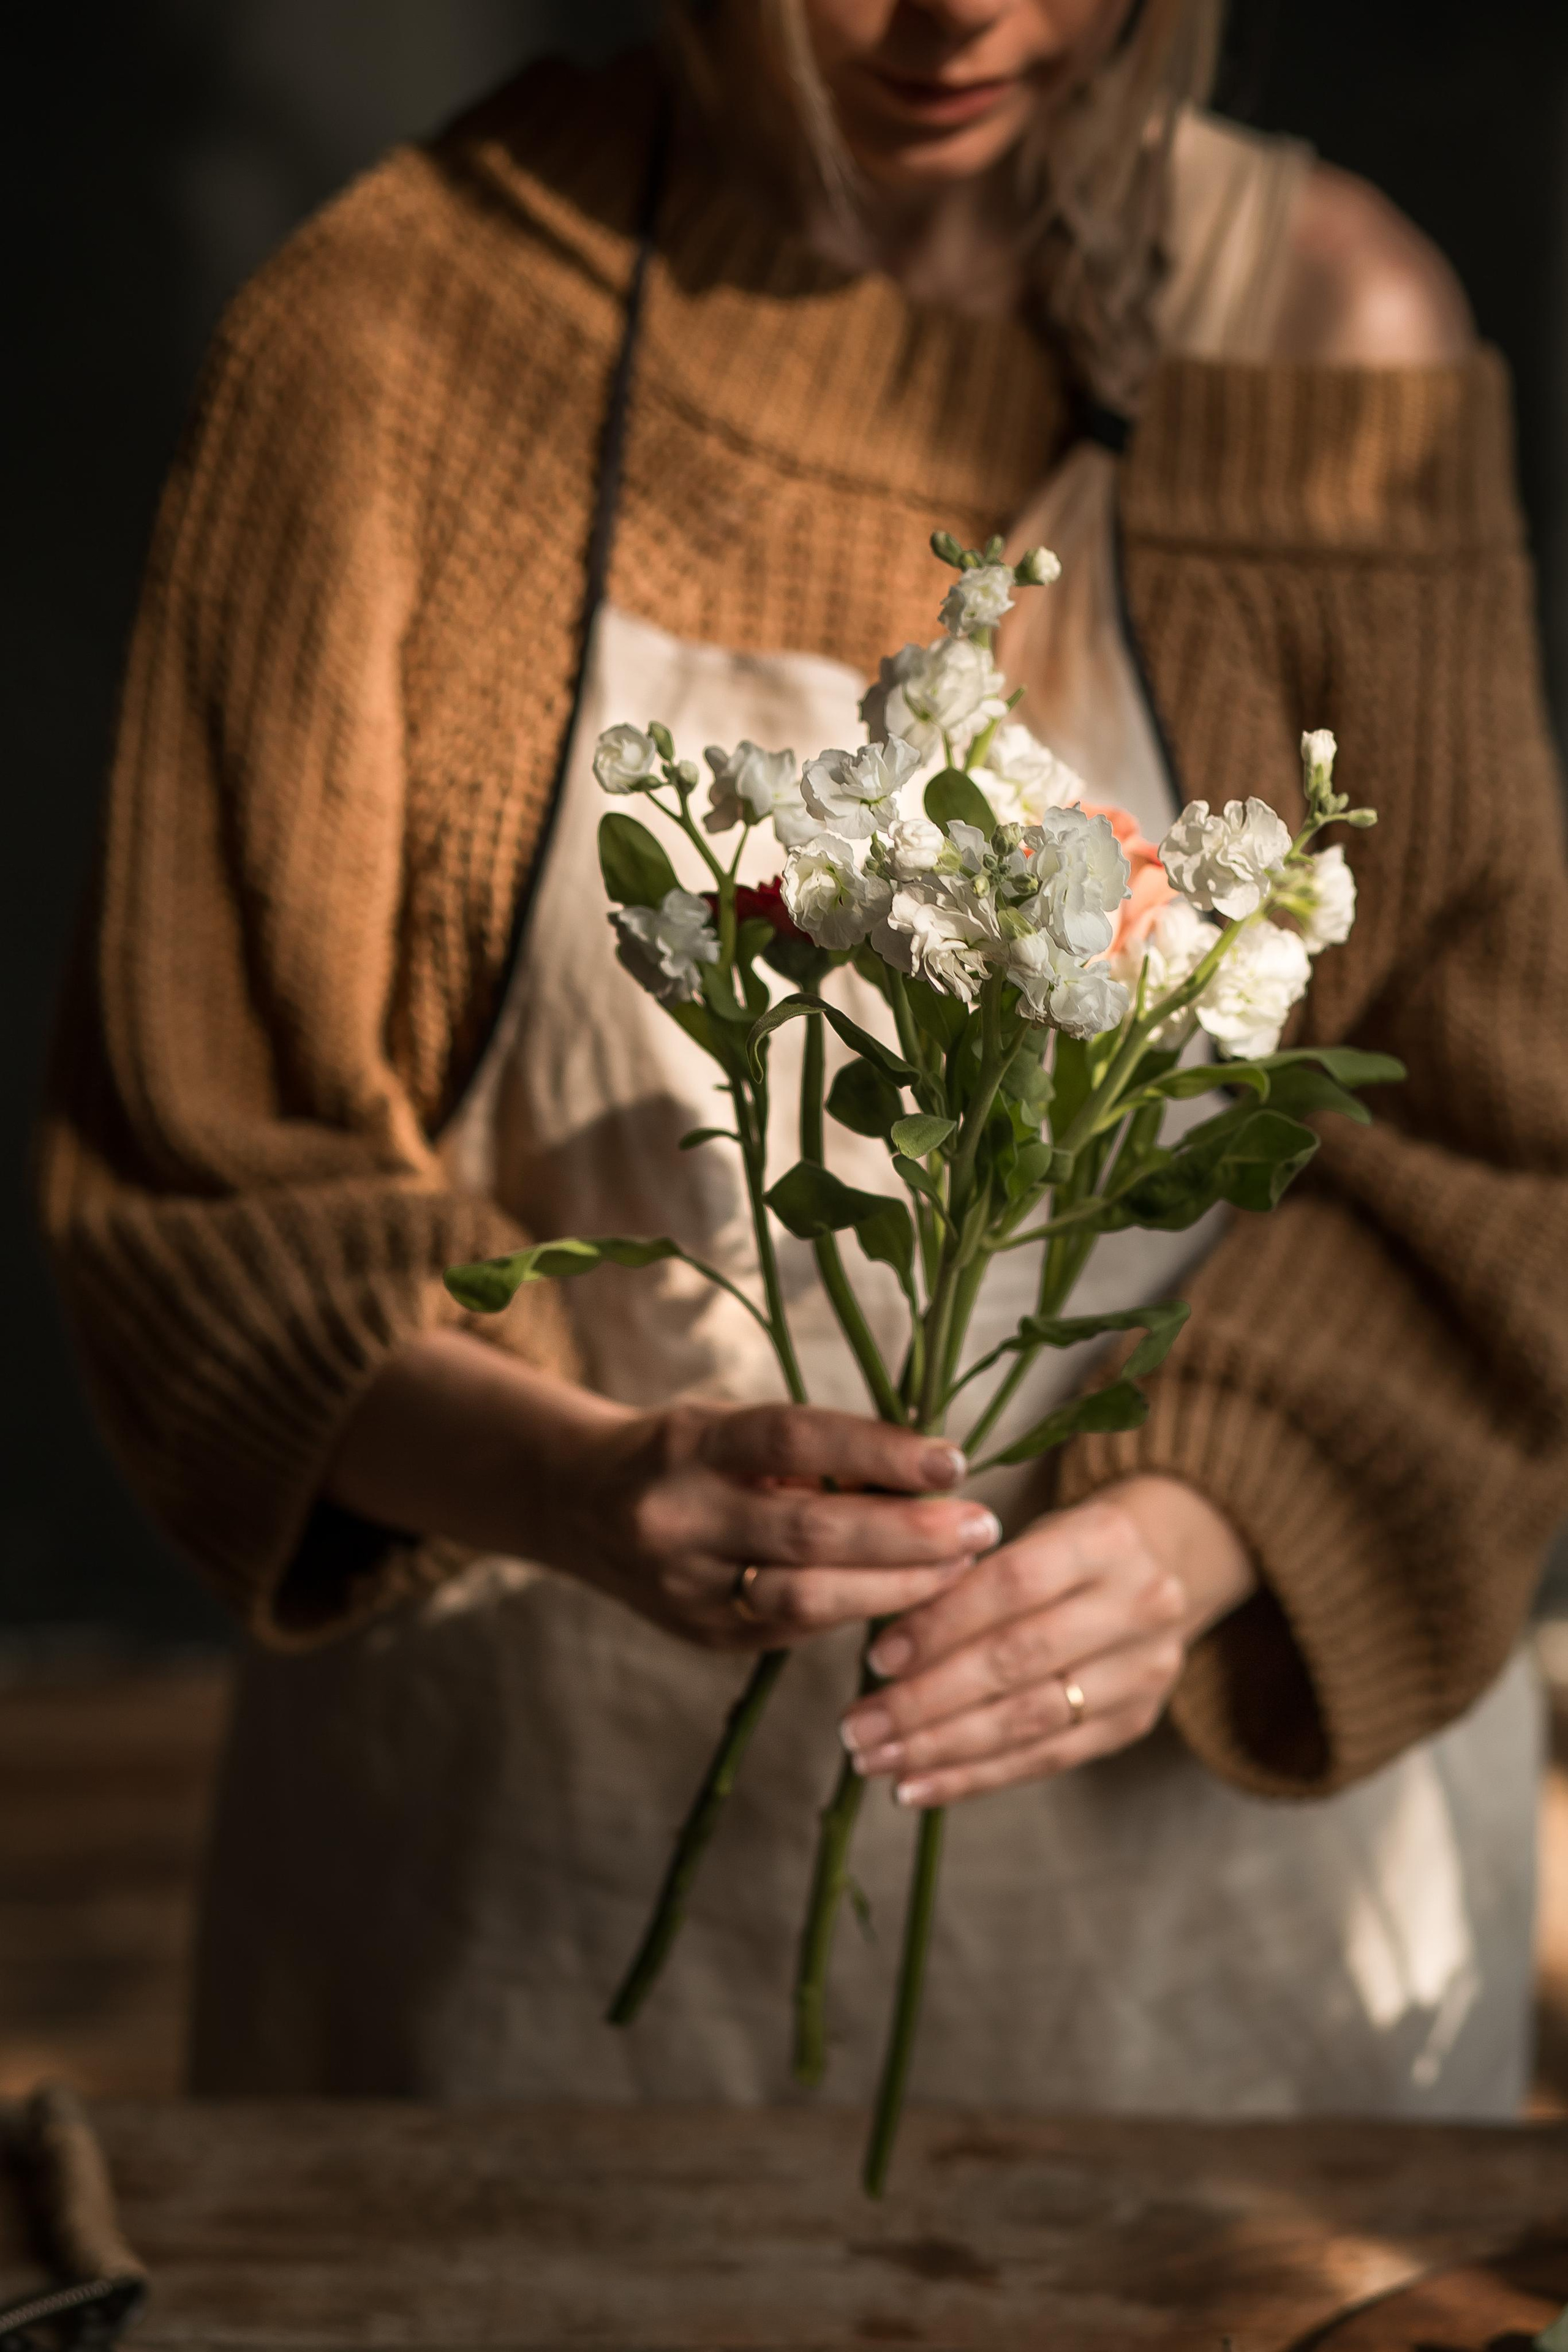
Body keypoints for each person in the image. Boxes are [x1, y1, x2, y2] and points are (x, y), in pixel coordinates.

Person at [40, 0, 1568, 2111]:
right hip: (530, 1929)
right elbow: (198, 1189)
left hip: (1213, 1997)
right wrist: (577, 1488)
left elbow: (1494, 1153)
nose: (968, 14)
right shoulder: (392, 347)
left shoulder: (1321, 347)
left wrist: (1199, 1537)